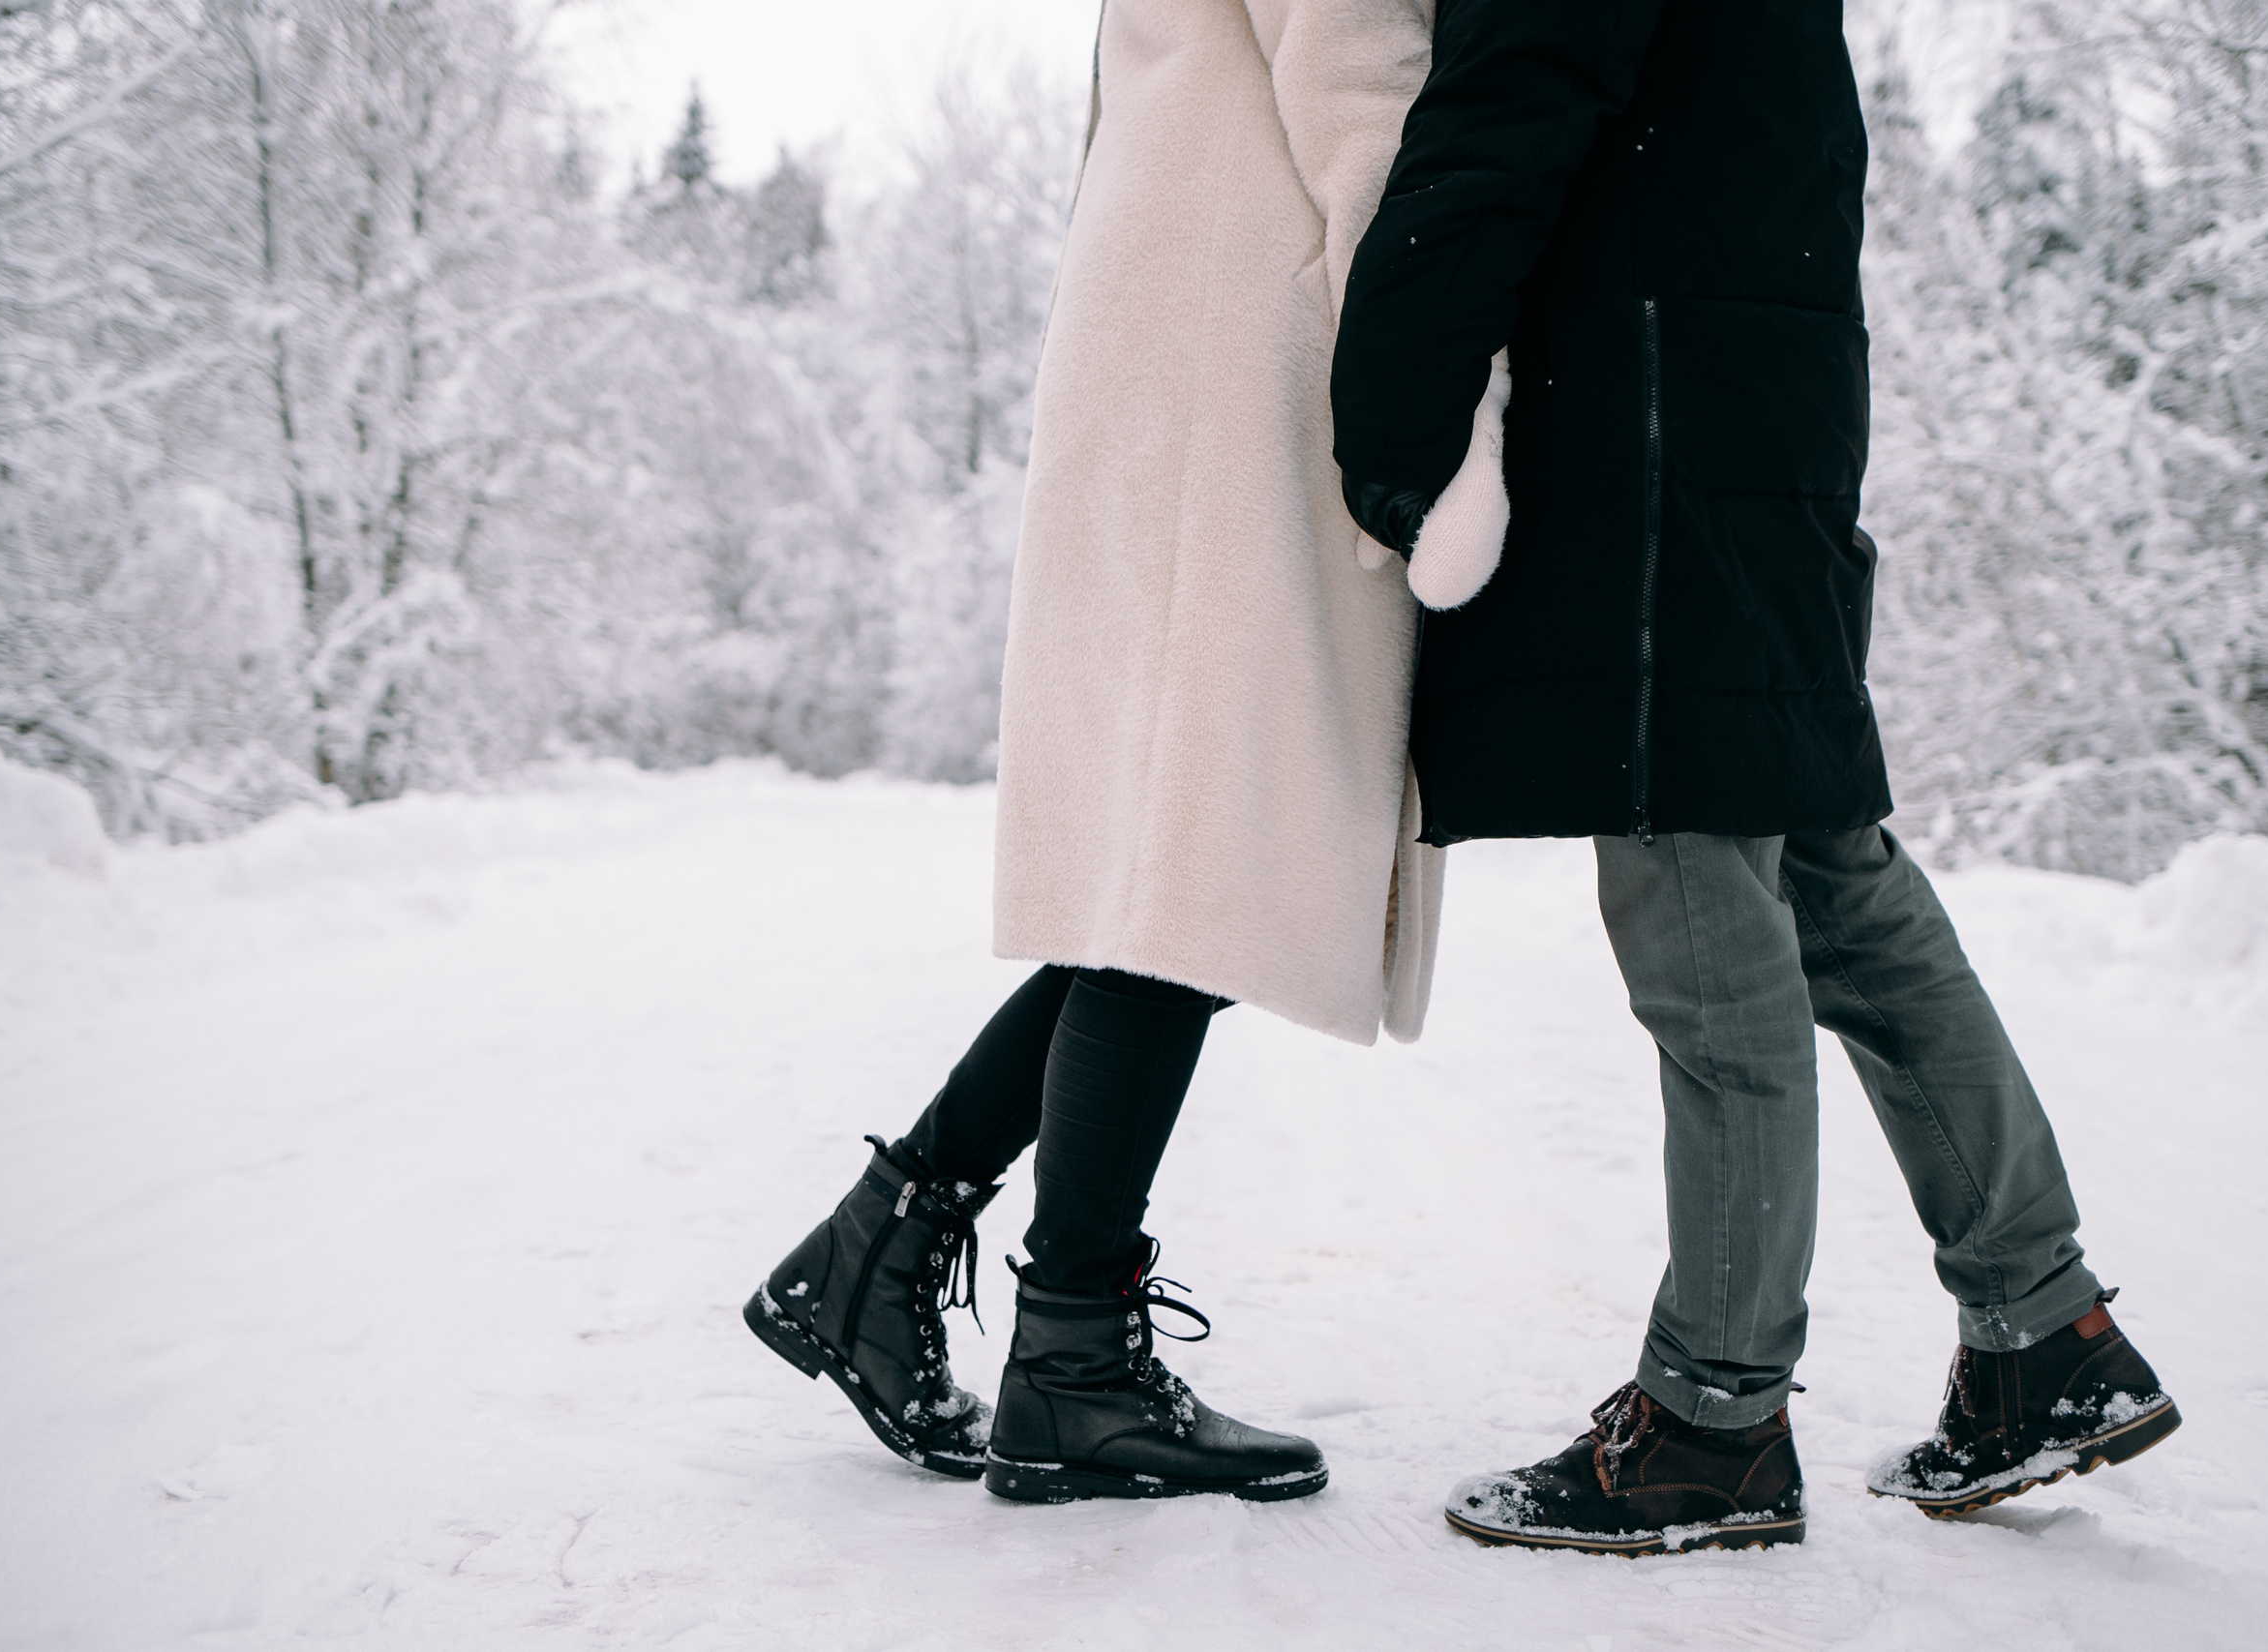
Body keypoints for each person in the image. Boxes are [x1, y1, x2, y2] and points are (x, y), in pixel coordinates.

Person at [1330, 0, 2179, 1554]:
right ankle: (2042, 1331)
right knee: (1831, 875)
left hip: (1655, 420)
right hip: (1765, 410)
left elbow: (1496, 126)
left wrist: (1388, 407)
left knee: (1700, 896)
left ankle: (1715, 1418)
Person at [742, 0, 1447, 1506]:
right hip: (1249, 344)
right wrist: (1436, 357)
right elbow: (1361, 70)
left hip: (1163, 317)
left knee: (1166, 857)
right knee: (1198, 854)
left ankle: (887, 1244)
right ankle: (1066, 1357)